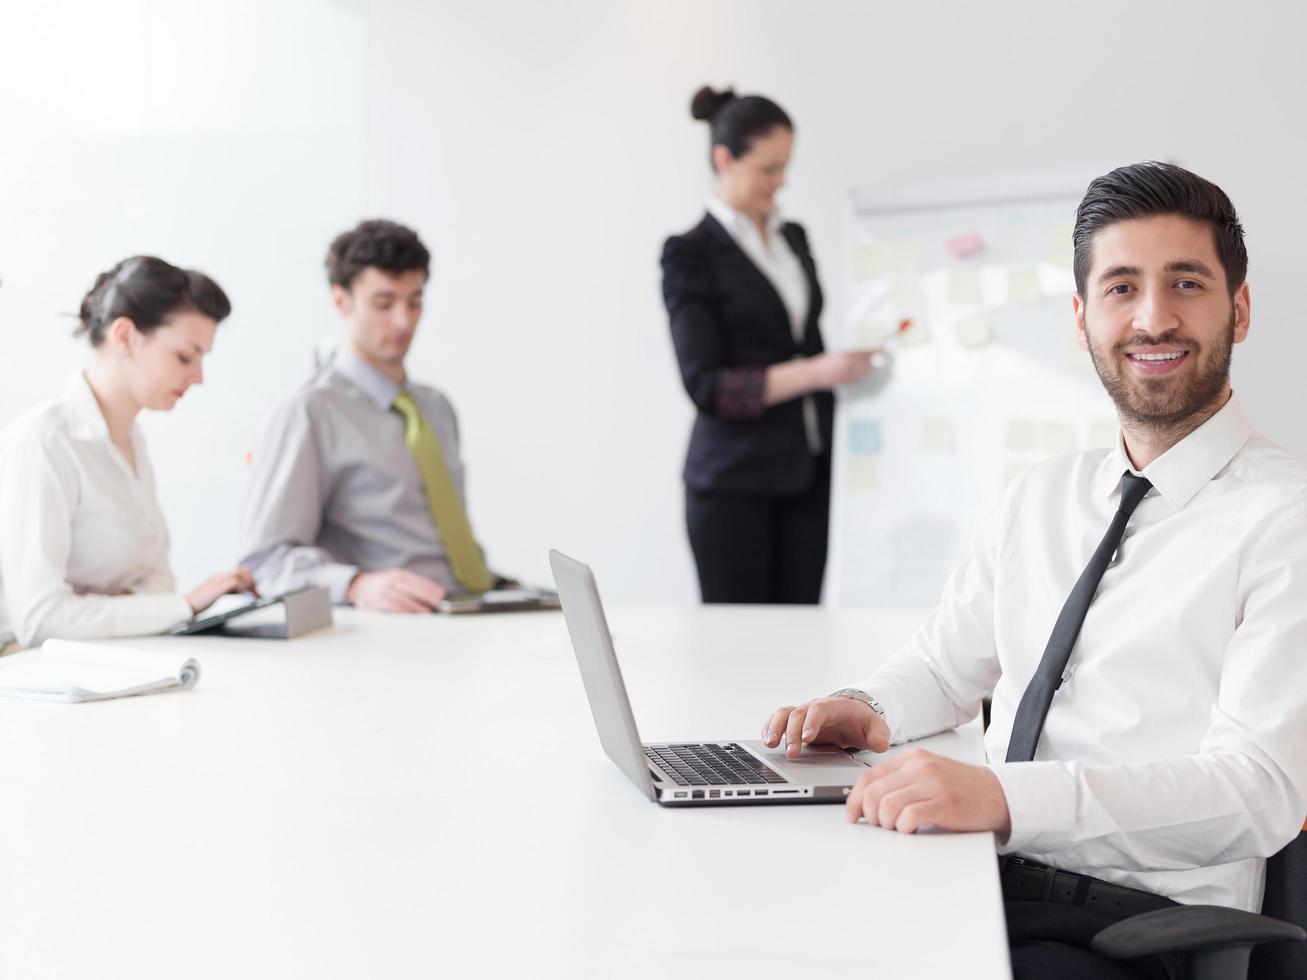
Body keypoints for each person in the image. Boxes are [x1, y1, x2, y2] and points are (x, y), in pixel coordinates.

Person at [760, 162, 1307, 979]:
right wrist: (865, 707)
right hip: (980, 877)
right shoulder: (1041, 495)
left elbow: (1257, 791)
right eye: (1121, 288)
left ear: (1240, 307)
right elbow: (946, 663)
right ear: (1083, 318)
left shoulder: (1285, 520)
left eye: (1184, 283)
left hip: (1142, 925)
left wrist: (1007, 800)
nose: (1152, 318)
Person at [661, 85, 874, 605]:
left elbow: (804, 335)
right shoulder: (690, 254)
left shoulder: (793, 238)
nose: (781, 183)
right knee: (738, 657)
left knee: (803, 644)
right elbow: (707, 386)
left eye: (786, 167)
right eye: (768, 169)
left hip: (808, 475)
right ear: (724, 160)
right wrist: (820, 372)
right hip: (733, 487)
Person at [239, 219, 505, 613]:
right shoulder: (308, 413)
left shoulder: (436, 408)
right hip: (389, 626)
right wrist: (356, 584)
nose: (403, 321)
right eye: (384, 303)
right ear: (341, 300)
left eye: (414, 302)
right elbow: (266, 562)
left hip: (471, 607)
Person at [0, 256, 255, 651]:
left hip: (114, 660)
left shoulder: (132, 439)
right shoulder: (44, 441)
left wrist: (98, 607)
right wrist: (183, 605)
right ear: (124, 337)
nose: (199, 377)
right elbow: (39, 619)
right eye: (186, 357)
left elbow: (155, 577)